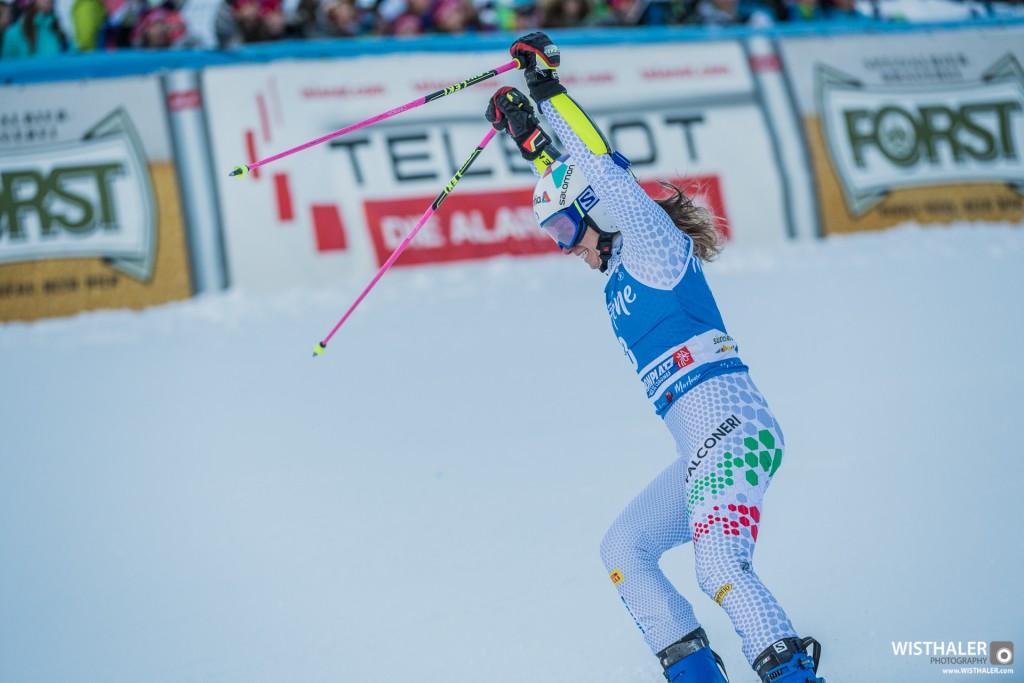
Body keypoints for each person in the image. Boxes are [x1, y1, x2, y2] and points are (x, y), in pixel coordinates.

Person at [484, 32, 826, 683]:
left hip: (737, 429)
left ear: (598, 214)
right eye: (553, 235)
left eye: (565, 231)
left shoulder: (652, 245)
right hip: (701, 446)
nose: (565, 248)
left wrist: (545, 88)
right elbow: (572, 183)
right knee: (624, 550)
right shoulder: (616, 262)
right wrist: (528, 139)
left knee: (718, 565)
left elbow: (598, 168)